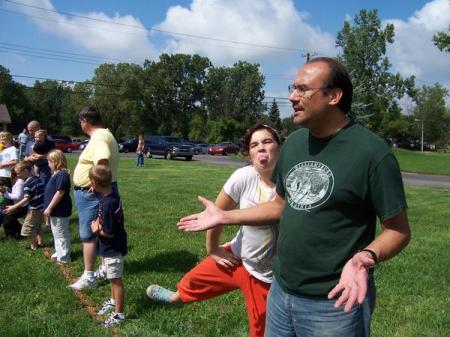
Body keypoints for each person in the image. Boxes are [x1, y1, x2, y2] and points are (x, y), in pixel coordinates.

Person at [177, 57, 411, 337]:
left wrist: (364, 258)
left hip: (335, 302)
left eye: (303, 89)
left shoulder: (372, 153)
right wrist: (226, 216)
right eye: (293, 88)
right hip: (281, 291)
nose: (292, 96)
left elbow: (398, 230)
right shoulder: (296, 143)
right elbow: (280, 205)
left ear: (334, 96)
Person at [147, 124, 281, 337]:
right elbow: (216, 213)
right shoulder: (244, 176)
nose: (261, 148)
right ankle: (175, 298)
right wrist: (213, 249)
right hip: (236, 258)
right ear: (249, 152)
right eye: (254, 145)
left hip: (267, 277)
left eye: (267, 142)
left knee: (261, 330)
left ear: (279, 147)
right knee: (194, 279)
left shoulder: (293, 182)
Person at [69, 106, 119, 290]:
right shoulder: (105, 134)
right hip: (96, 191)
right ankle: (105, 268)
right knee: (100, 229)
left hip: (92, 193)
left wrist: (94, 184)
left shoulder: (98, 137)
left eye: (80, 121)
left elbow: (102, 160)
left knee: (88, 234)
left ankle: (89, 276)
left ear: (85, 121)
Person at [89, 164, 127, 327]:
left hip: (112, 247)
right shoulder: (110, 197)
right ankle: (113, 301)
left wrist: (96, 230)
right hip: (111, 247)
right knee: (112, 278)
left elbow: (109, 232)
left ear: (94, 183)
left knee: (115, 279)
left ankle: (119, 314)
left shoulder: (107, 204)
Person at [4, 161, 44, 250]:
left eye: (18, 173)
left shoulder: (27, 184)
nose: (17, 175)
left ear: (25, 171)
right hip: (41, 207)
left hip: (34, 208)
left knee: (29, 227)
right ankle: (41, 242)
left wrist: (13, 207)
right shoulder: (36, 178)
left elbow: (26, 198)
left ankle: (33, 246)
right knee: (37, 225)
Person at [43, 150, 72, 264]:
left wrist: (49, 207)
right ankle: (59, 252)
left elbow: (60, 192)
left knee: (61, 233)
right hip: (55, 210)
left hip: (59, 209)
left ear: (56, 162)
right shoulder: (56, 174)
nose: (48, 164)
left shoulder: (62, 174)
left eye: (49, 162)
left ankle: (64, 257)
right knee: (56, 232)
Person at [2, 165, 26, 238]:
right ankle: (19, 232)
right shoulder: (17, 182)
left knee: (7, 218)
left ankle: (13, 235)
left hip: (21, 207)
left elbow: (18, 197)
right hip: (17, 205)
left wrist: (5, 193)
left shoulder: (20, 182)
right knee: (5, 215)